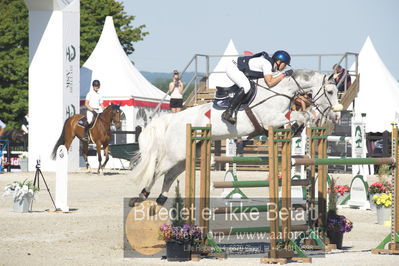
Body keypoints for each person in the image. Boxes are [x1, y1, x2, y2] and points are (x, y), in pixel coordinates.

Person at [223, 50, 293, 124]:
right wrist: (284, 74)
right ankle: (228, 112)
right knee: (246, 86)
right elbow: (270, 83)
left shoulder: (270, 65)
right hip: (233, 68)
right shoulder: (267, 64)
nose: (284, 67)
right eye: (285, 65)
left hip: (239, 68)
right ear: (279, 61)